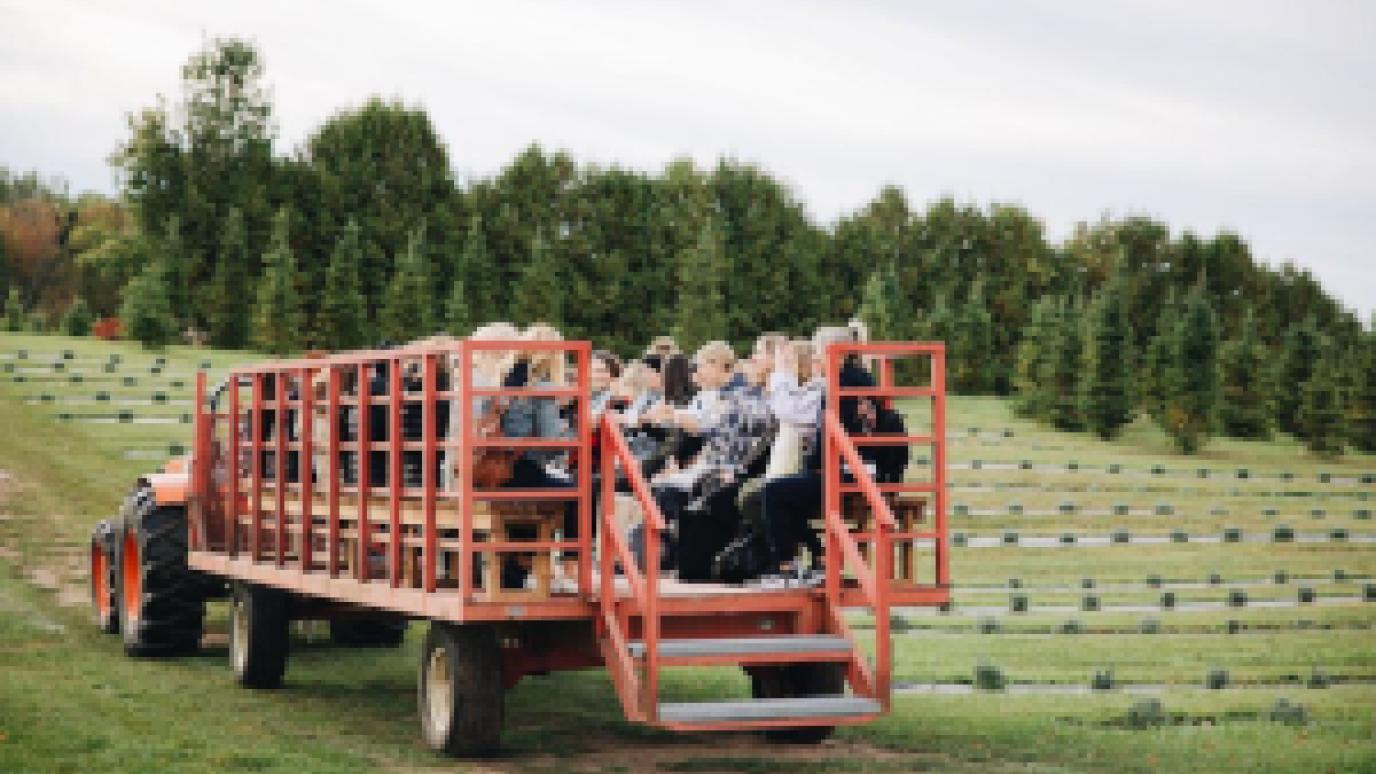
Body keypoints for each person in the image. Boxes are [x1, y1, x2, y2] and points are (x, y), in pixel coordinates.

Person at [757, 325, 876, 587]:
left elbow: (793, 414)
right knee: (784, 492)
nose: (814, 360)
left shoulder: (840, 384)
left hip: (846, 470)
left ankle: (786, 566)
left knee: (773, 493)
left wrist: (782, 375)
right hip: (845, 467)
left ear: (837, 354)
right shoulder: (854, 379)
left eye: (818, 353)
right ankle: (818, 557)